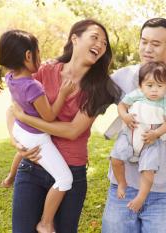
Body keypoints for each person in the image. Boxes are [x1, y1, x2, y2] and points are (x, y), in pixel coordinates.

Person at [8, 19, 119, 233]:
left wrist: (28, 119)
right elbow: (12, 108)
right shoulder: (45, 70)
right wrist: (16, 142)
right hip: (33, 166)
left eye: (105, 43)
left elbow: (73, 131)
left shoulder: (101, 87)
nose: (100, 45)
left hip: (71, 170)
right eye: (95, 37)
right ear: (74, 39)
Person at [102, 17, 166, 233]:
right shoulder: (122, 77)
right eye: (144, 41)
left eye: (156, 44)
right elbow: (87, 100)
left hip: (165, 191)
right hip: (123, 187)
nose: (147, 49)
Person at [0, 29, 77, 233]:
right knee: (65, 179)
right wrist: (63, 93)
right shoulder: (32, 86)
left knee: (22, 152)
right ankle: (45, 222)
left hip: (21, 131)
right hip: (36, 137)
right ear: (28, 56)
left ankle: (11, 176)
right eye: (38, 52)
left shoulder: (11, 77)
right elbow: (49, 117)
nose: (41, 56)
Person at [111, 61, 166, 212]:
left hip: (150, 140)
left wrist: (157, 133)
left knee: (149, 169)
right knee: (115, 159)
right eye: (150, 85)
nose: (154, 90)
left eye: (160, 86)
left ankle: (141, 197)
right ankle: (122, 182)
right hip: (129, 135)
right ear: (141, 85)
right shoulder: (137, 95)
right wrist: (125, 116)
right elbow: (122, 106)